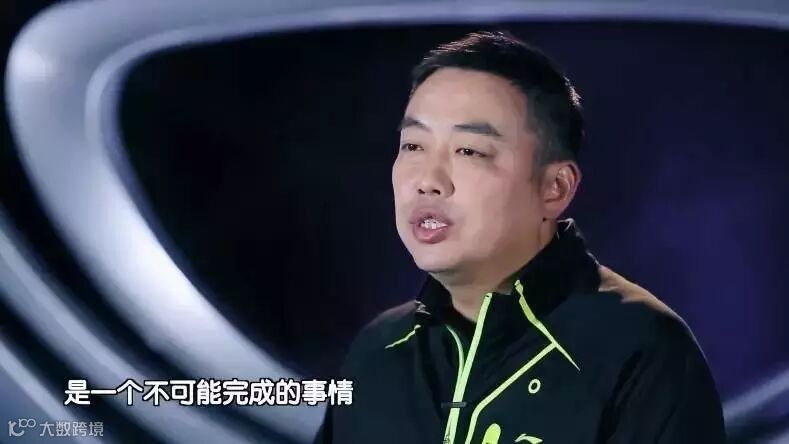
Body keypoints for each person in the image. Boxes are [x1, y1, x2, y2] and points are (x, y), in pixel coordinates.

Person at [314, 30, 725, 444]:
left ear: (555, 188)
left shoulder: (642, 352)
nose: (427, 181)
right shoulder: (378, 352)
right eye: (413, 146)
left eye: (469, 151)